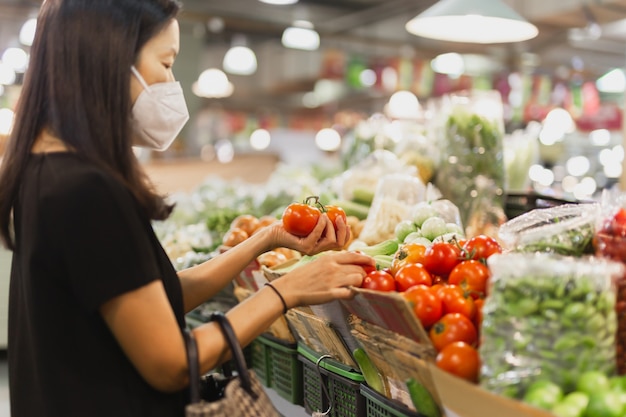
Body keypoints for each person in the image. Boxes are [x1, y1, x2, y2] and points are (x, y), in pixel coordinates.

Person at [0, 1, 374, 416]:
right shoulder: (87, 190)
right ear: (112, 60)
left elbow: (160, 298)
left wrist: (264, 241)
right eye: (165, 63)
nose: (171, 82)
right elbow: (173, 363)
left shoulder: (45, 169)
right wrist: (285, 291)